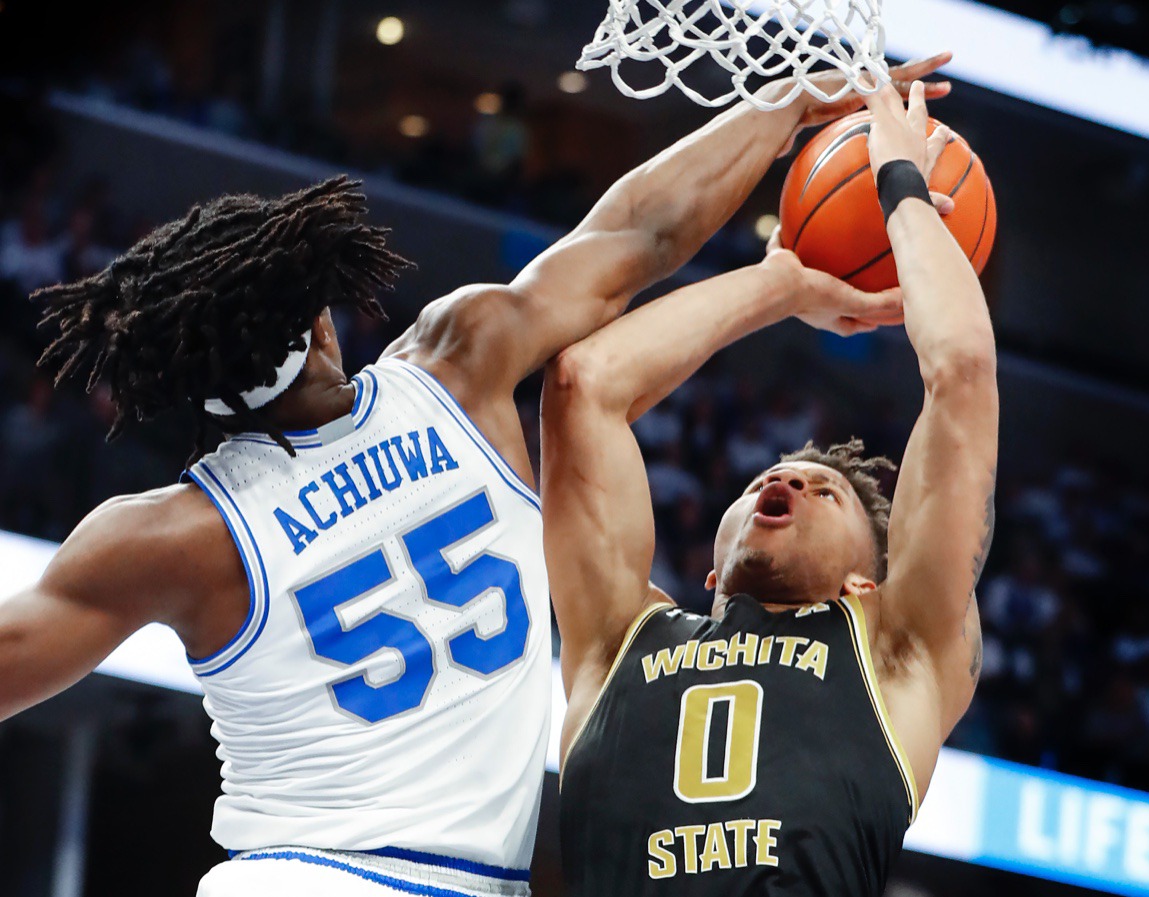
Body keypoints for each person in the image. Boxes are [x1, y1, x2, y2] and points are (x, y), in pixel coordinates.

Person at [0, 56, 952, 897]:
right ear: (324, 315)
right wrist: (786, 108)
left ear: (190, 389)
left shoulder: (171, 534)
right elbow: (641, 236)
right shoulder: (459, 363)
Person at [542, 78, 997, 896]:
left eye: (825, 493)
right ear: (710, 571)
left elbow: (960, 371)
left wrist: (901, 186)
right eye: (768, 479)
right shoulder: (618, 639)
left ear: (867, 581)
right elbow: (585, 384)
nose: (785, 478)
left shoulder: (897, 650)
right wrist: (782, 283)